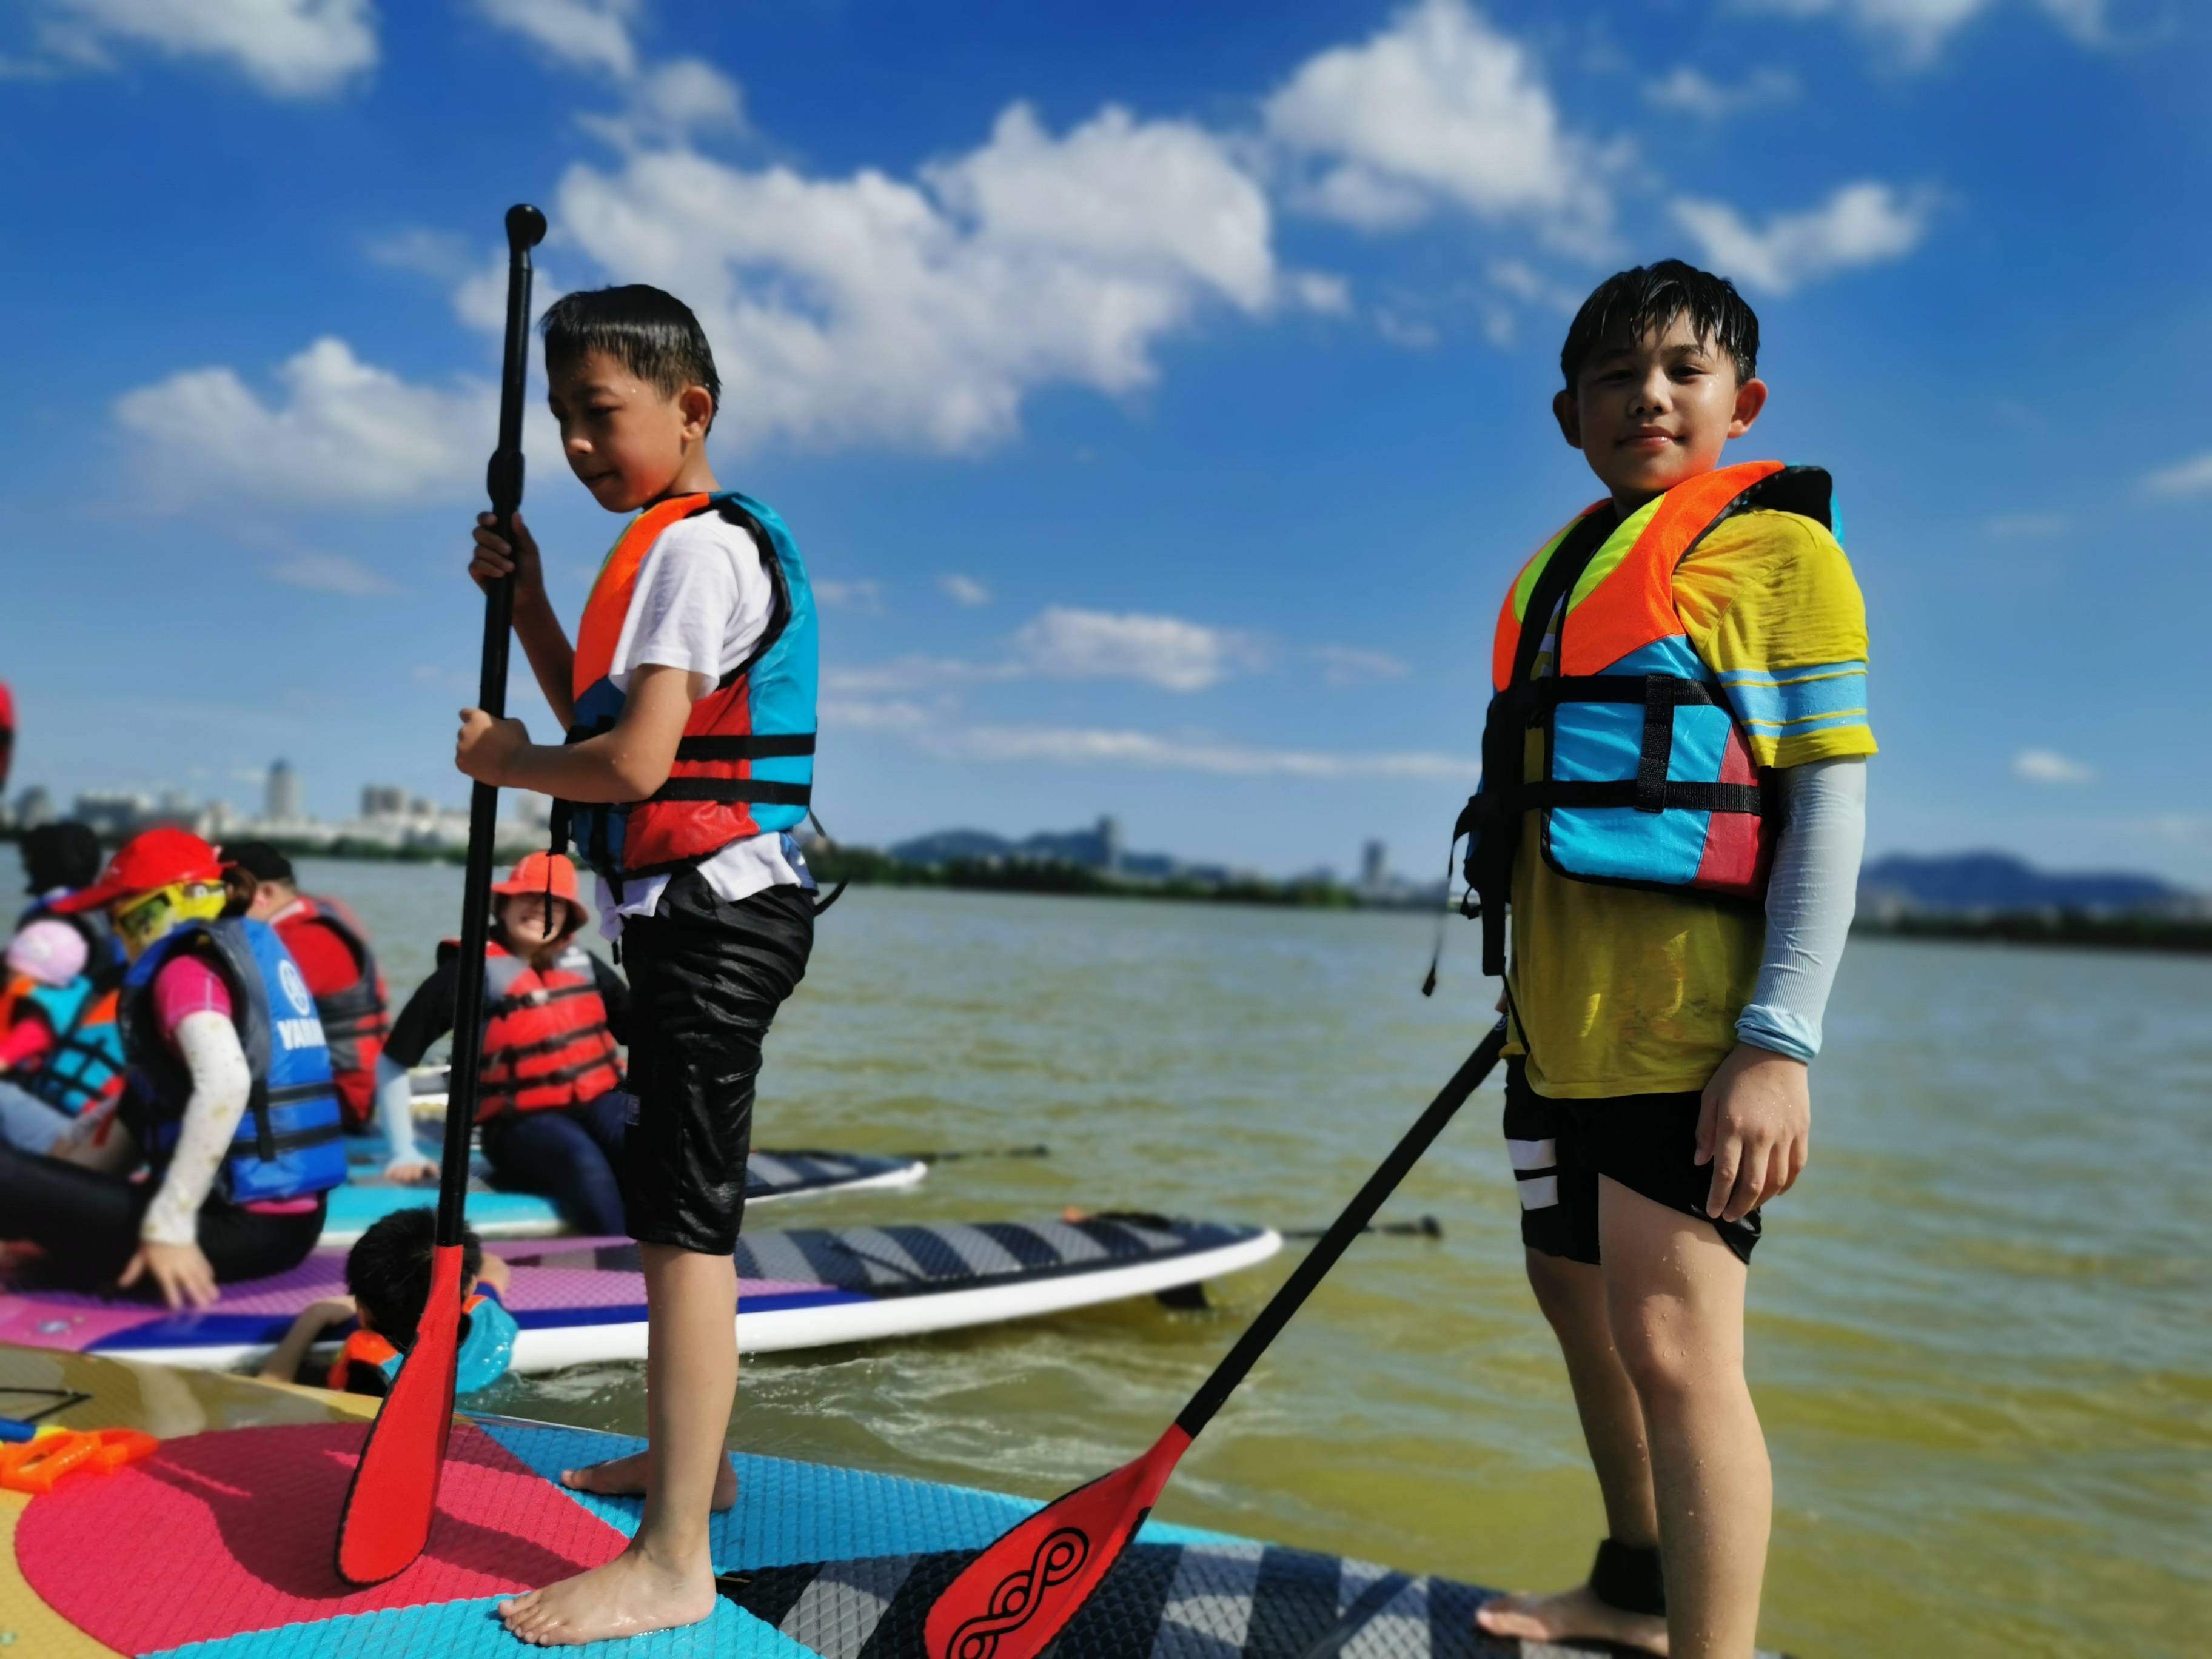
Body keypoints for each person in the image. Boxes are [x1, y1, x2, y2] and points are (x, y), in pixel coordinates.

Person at [1460, 261, 1871, 1659]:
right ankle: (1633, 1590)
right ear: (1567, 412)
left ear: (1741, 401)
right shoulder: (1556, 569)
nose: (1649, 395)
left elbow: (1829, 801)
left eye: (1683, 370)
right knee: (1579, 1304)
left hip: (1691, 1036)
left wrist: (1781, 1038)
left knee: (1681, 1348)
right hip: (1553, 1030)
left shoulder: (1781, 555)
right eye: (1616, 377)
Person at [457, 284, 817, 1643]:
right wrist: (539, 598)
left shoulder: (696, 552)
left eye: (601, 414)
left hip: (713, 919)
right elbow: (595, 716)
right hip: (702, 914)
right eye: (560, 423)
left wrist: (500, 766)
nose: (581, 446)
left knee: (682, 1230)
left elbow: (630, 767)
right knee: (676, 1216)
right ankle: (697, 1473)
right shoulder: (673, 553)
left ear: (691, 407)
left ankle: (674, 1563)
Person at [0, 828, 346, 1305]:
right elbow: (117, 1145)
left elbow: (225, 1085)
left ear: (157, 908)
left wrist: (169, 1225)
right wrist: (53, 1214)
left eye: (118, 914)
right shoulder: (241, 954)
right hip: (286, 1229)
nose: (116, 932)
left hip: (230, 1231)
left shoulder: (182, 971)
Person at [377, 850, 633, 1229]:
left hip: (597, 1101)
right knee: (583, 1160)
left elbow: (643, 1035)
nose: (539, 909)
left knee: (647, 1142)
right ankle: (624, 1268)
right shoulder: (467, 972)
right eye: (527, 896)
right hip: (519, 1124)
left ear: (566, 918)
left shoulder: (584, 965)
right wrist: (403, 1152)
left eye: (553, 903)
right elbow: (394, 1058)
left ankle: (674, 1253)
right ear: (505, 903)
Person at [220, 840, 392, 1134]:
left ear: (266, 894)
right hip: (327, 1086)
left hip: (342, 1099)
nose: (220, 910)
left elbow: (246, 1015)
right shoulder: (301, 922)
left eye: (226, 896)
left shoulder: (305, 939)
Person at [256, 1207, 517, 1398]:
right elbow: (496, 1266)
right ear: (470, 1286)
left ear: (363, 1313)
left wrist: (314, 1315)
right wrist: (457, 1265)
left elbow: (274, 1385)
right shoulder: (487, 1315)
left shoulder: (367, 1369)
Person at [0, 919, 126, 1153]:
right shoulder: (70, 997)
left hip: (68, 1136)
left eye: (10, 969)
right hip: (69, 1124)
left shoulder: (37, 1024)